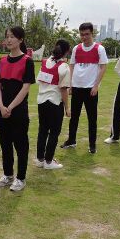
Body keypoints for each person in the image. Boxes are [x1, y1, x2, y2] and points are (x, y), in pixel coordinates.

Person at [0, 26, 35, 191]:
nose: (9, 40)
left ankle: (21, 178)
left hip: (17, 110)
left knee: (20, 144)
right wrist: (2, 106)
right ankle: (8, 175)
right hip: (1, 109)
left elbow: (25, 88)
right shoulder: (2, 60)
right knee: (5, 143)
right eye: (7, 37)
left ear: (21, 40)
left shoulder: (27, 61)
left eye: (12, 37)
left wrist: (9, 107)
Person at [61, 22, 108, 154]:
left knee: (92, 118)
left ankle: (92, 145)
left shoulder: (99, 49)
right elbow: (72, 66)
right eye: (82, 34)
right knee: (74, 117)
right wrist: (70, 84)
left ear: (92, 34)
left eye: (87, 34)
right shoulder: (77, 48)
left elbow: (103, 67)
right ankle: (71, 140)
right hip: (76, 87)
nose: (84, 37)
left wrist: (96, 85)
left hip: (90, 89)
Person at [35, 39, 71, 169]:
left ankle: (40, 159)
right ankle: (49, 162)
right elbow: (63, 89)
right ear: (66, 52)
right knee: (54, 132)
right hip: (55, 103)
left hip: (41, 102)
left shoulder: (44, 62)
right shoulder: (64, 67)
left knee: (43, 130)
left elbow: (39, 81)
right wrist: (67, 107)